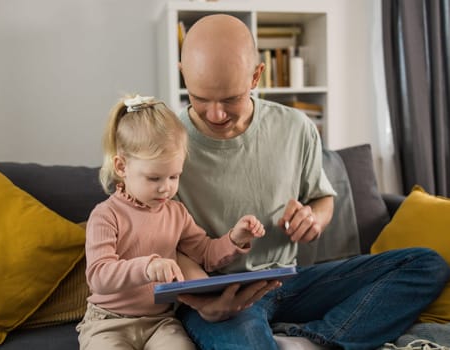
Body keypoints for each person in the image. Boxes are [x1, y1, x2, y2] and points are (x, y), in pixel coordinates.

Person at [173, 14, 450, 350]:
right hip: (217, 293)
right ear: (184, 74)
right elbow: (148, 238)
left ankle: (314, 341)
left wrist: (314, 218)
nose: (216, 114)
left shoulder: (296, 128)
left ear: (256, 76)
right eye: (200, 98)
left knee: (426, 265)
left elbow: (322, 199)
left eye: (230, 99)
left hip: (288, 281)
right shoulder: (164, 141)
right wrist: (202, 303)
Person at [76, 94, 267, 350]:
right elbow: (99, 276)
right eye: (154, 178)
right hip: (107, 322)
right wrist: (147, 268)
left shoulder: (175, 212)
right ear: (121, 167)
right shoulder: (106, 215)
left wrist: (236, 239)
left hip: (160, 321)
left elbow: (205, 254)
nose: (166, 189)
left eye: (174, 176)